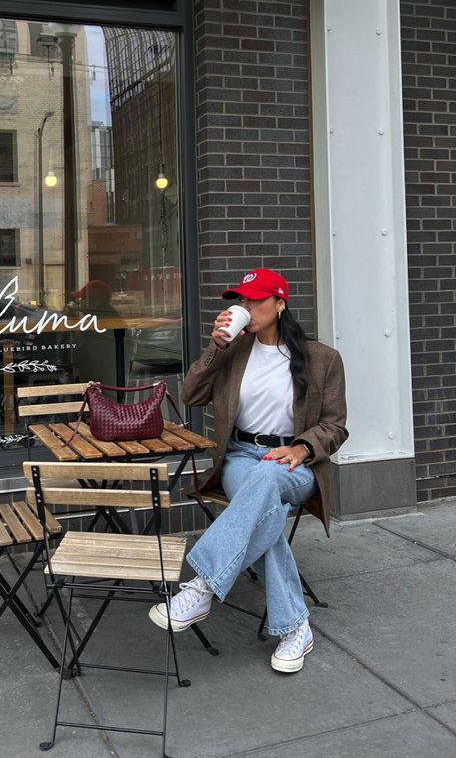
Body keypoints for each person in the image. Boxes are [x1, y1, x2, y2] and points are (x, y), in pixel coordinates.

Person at [148, 268, 348, 673]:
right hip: (240, 455)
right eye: (242, 301)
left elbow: (336, 424)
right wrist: (215, 347)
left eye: (257, 301)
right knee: (265, 512)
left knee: (268, 480)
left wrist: (302, 446)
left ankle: (202, 584)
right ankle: (295, 627)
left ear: (280, 304)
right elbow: (190, 395)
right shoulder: (235, 351)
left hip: (295, 464)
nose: (247, 308)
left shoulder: (322, 358)